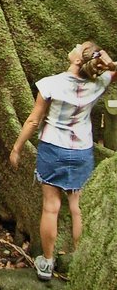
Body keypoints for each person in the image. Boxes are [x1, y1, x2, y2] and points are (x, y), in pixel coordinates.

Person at [9, 41, 116, 281]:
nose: (76, 45)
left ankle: (46, 263)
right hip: (81, 151)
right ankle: (79, 261)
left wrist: (17, 148)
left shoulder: (51, 84)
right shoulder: (98, 83)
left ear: (78, 60)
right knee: (77, 207)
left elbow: (33, 121)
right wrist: (108, 62)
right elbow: (112, 70)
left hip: (53, 149)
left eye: (80, 47)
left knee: (51, 207)